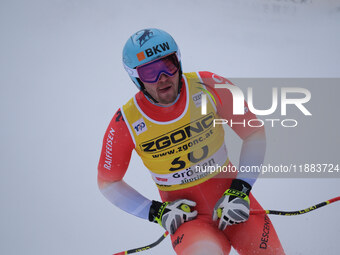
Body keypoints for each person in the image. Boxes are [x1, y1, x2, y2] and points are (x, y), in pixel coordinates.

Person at [98, 28, 285, 254]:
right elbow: (108, 182)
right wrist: (155, 211)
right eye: (150, 72)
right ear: (135, 78)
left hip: (233, 204)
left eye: (168, 65)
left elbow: (253, 133)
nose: (163, 78)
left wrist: (241, 188)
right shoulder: (126, 121)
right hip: (188, 222)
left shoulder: (209, 85)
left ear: (179, 60)